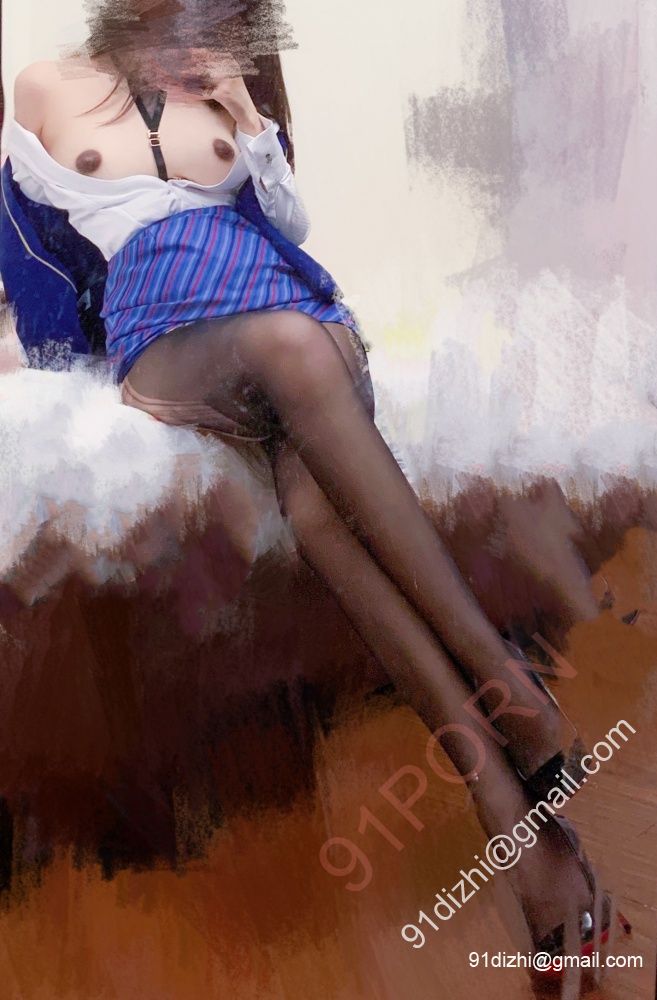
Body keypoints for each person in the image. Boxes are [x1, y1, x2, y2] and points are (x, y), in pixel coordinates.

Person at [3, 4, 628, 977]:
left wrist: (246, 111)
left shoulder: (230, 71)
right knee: (290, 354)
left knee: (319, 518)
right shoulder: (47, 84)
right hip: (172, 343)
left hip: (295, 316)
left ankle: (527, 844)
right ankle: (513, 691)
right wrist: (44, 365)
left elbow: (288, 225)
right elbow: (31, 248)